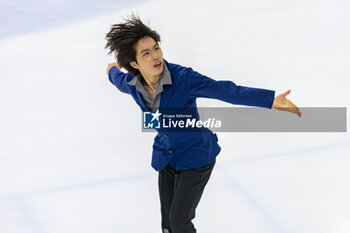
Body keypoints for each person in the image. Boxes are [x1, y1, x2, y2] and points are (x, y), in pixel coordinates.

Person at [105, 13, 301, 233]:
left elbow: (226, 91)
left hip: (196, 156)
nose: (155, 56)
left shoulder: (184, 79)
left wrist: (270, 100)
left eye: (156, 48)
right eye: (146, 53)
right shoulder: (132, 84)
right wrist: (112, 69)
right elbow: (116, 78)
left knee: (180, 223)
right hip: (167, 157)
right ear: (134, 64)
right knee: (168, 227)